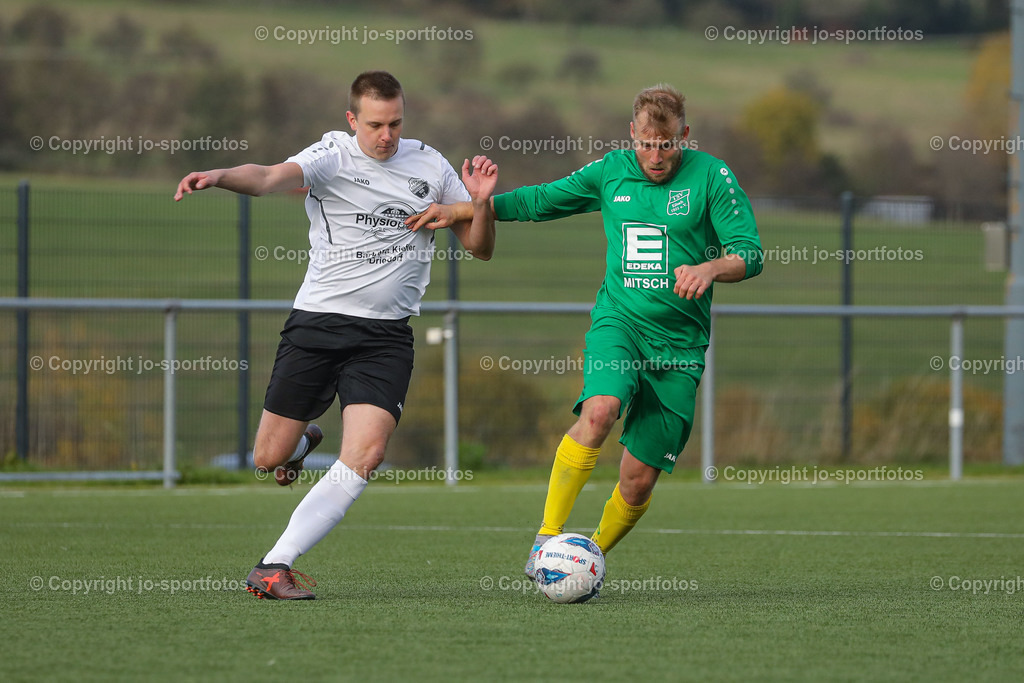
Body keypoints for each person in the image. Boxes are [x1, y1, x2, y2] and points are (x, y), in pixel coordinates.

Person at [409, 84, 762, 575]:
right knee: (599, 411)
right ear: (630, 135)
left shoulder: (713, 178)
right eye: (645, 143)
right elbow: (539, 201)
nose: (655, 156)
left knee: (637, 481)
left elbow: (750, 253)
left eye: (666, 144)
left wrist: (710, 268)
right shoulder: (609, 172)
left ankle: (585, 558)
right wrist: (467, 208)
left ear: (685, 135)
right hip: (620, 323)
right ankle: (546, 540)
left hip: (680, 347)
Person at [174, 70, 497, 600]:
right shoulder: (332, 156)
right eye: (374, 124)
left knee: (366, 455)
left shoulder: (431, 164)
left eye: (395, 123)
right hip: (317, 325)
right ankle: (302, 444)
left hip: (386, 337)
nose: (386, 135)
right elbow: (268, 176)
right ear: (353, 121)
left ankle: (274, 564)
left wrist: (480, 202)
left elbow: (480, 248)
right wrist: (219, 174)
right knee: (267, 459)